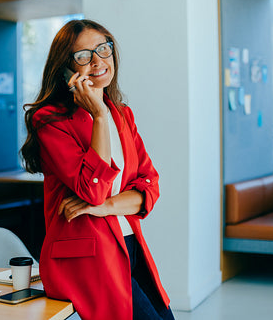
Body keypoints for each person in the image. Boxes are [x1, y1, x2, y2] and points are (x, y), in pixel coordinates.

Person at [20, 19, 174, 320]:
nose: (98, 61)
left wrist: (108, 207)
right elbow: (92, 189)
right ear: (66, 69)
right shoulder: (49, 120)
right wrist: (99, 117)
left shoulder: (123, 115)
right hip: (85, 257)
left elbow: (150, 186)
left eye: (103, 49)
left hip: (129, 243)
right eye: (83, 56)